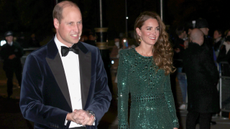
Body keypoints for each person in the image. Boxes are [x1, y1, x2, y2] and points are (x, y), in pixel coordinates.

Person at [19, 1, 112, 129]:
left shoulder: (93, 53)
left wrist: (91, 114)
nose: (77, 29)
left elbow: (103, 94)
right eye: (70, 23)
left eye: (79, 22)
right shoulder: (36, 59)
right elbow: (28, 107)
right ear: (56, 23)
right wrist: (66, 117)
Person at [117, 11, 179, 129]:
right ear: (139, 31)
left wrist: (174, 122)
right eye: (149, 29)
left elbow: (167, 91)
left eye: (156, 29)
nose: (154, 33)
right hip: (140, 119)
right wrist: (123, 125)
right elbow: (122, 94)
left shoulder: (163, 56)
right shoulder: (127, 57)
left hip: (164, 119)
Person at [183, 29, 220, 129]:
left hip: (192, 88)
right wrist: (213, 80)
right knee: (204, 117)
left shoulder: (187, 52)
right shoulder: (203, 52)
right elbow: (212, 70)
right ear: (201, 38)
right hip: (205, 90)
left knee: (192, 115)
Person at [0, 31, 24, 99]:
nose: (10, 38)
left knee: (20, 78)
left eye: (11, 37)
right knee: (9, 80)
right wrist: (8, 57)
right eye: (8, 37)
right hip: (8, 66)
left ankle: (24, 93)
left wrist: (15, 55)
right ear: (6, 38)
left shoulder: (17, 45)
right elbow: (2, 55)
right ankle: (9, 94)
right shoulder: (4, 47)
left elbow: (21, 52)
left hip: (17, 65)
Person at [174, 26, 188, 109]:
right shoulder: (179, 42)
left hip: (181, 65)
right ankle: (185, 101)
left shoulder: (178, 42)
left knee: (183, 84)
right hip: (181, 65)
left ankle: (185, 101)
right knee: (183, 84)